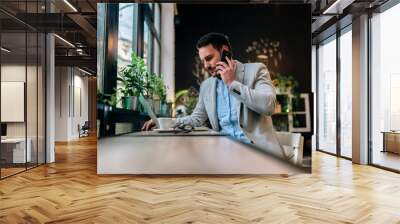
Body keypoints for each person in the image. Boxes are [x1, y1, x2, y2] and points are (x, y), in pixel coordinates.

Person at [142, 32, 284, 157]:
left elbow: (269, 106)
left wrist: (232, 84)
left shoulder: (257, 70)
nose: (206, 65)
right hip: (224, 155)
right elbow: (196, 119)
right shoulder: (207, 86)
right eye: (203, 60)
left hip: (259, 154)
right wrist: (163, 122)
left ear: (225, 51)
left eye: (209, 58)